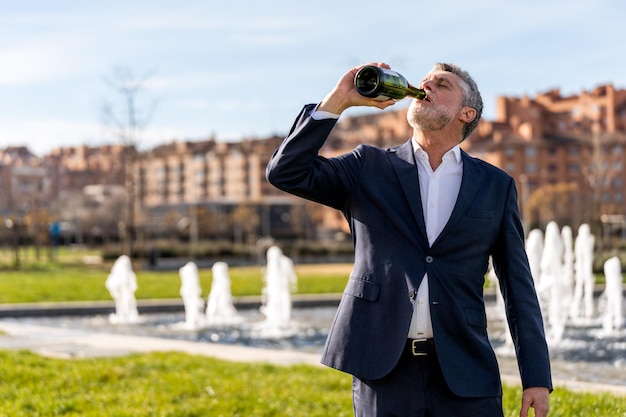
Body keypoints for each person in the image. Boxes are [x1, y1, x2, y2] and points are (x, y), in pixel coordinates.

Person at [266, 62, 552, 417]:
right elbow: (285, 172)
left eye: (442, 84)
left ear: (467, 113)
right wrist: (338, 99)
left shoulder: (496, 186)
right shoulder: (367, 167)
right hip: (384, 373)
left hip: (466, 373)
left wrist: (536, 378)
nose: (427, 85)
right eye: (424, 81)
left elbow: (518, 287)